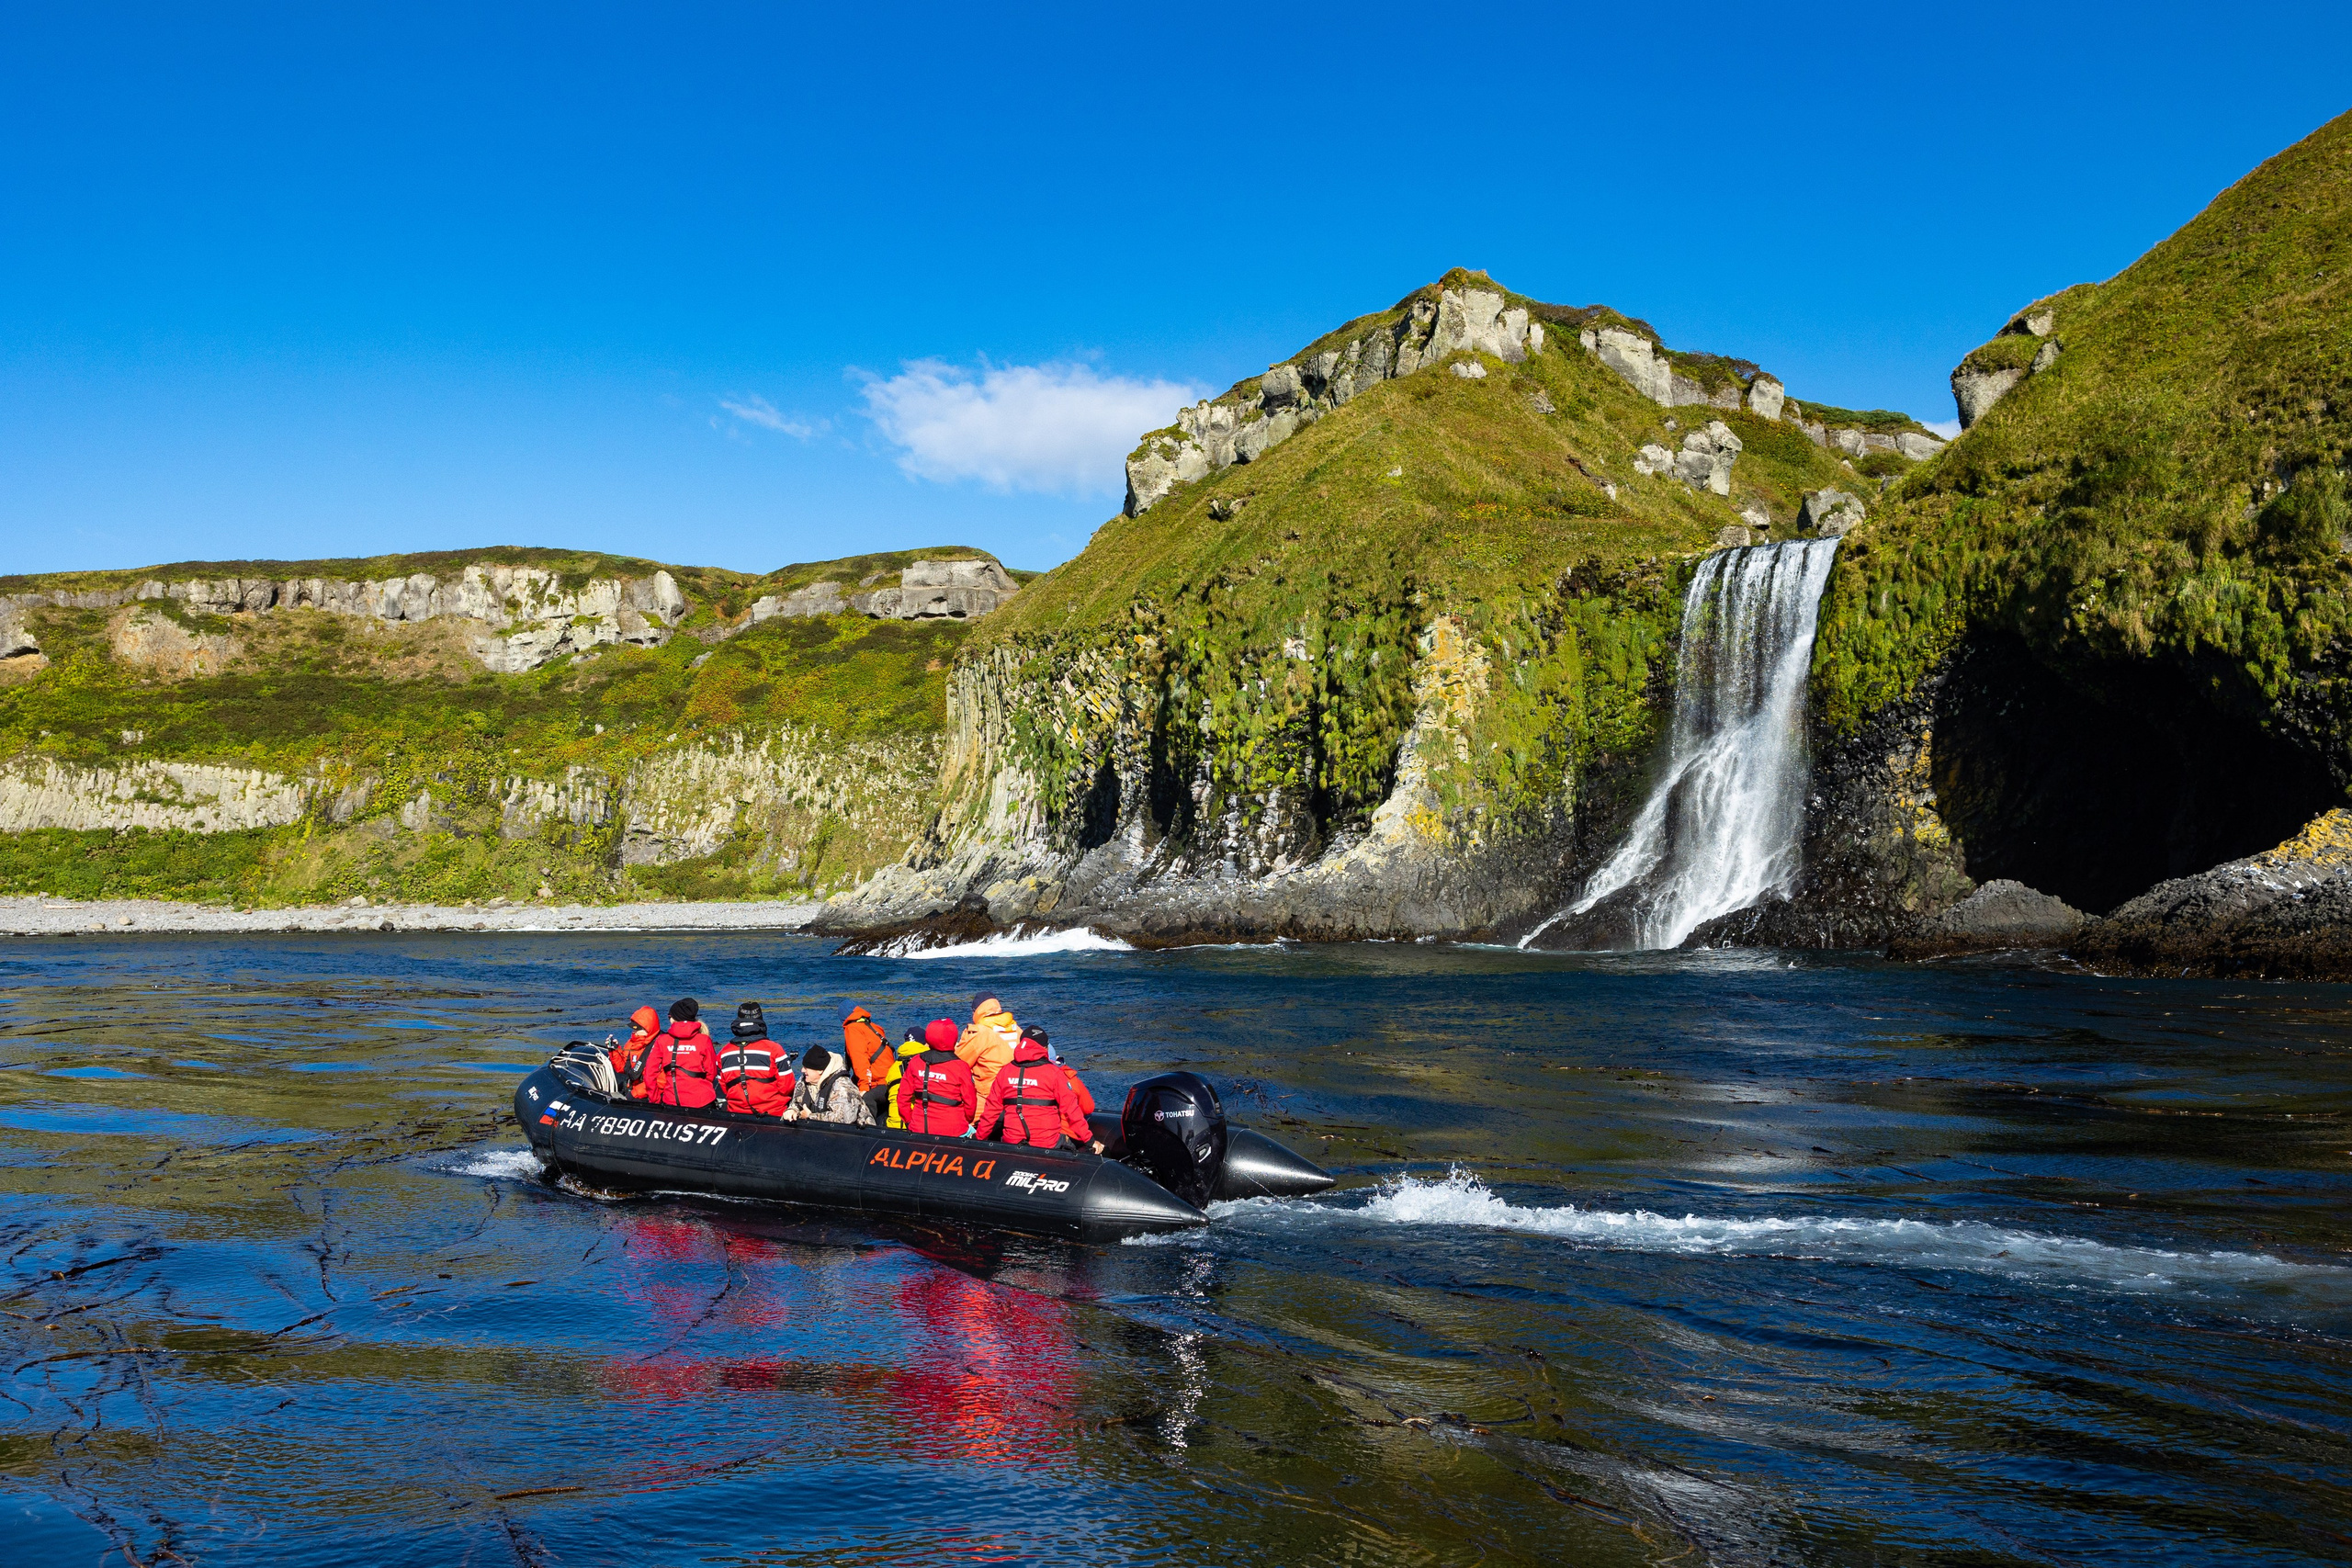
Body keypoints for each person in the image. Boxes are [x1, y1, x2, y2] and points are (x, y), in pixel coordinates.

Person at [973, 1027, 1099, 1151]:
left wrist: (978, 1139)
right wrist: (1090, 1141)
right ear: (1045, 1048)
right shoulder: (1054, 1073)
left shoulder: (1005, 1071)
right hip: (1048, 1144)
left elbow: (990, 1112)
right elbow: (1071, 1110)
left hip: (1012, 1143)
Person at [896, 1018, 978, 1136]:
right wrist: (963, 1121)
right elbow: (971, 1105)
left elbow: (902, 1098)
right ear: (954, 1039)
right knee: (978, 1135)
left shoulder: (915, 1062)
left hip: (919, 1128)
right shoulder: (961, 1067)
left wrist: (909, 1121)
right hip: (955, 1131)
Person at [716, 1001, 794, 1119]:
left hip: (736, 1114)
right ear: (761, 1022)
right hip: (773, 1114)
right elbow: (787, 1087)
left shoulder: (723, 1053)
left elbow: (724, 1088)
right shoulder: (774, 1049)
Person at [640, 998, 719, 1111]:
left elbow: (649, 1074)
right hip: (703, 1101)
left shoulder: (662, 1040)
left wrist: (655, 1100)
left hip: (672, 1101)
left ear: (673, 1019)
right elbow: (711, 1072)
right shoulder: (704, 1040)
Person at [786, 1046, 876, 1125]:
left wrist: (811, 1116)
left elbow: (846, 1118)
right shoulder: (805, 1080)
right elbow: (796, 1103)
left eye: (806, 1068)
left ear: (820, 1071)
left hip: (856, 1134)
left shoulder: (842, 1087)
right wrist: (792, 1111)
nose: (802, 1070)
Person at [956, 994, 1021, 1104]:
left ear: (976, 1012)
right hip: (1018, 1091)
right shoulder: (1017, 1030)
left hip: (990, 1095)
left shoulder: (979, 1032)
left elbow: (959, 1064)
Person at [842, 1005, 899, 1124]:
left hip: (877, 1084)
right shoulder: (874, 1027)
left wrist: (863, 1087)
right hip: (891, 1083)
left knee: (863, 1101)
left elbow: (860, 1060)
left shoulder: (853, 1029)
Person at [606, 1005, 661, 1100]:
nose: (634, 1032)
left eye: (637, 1029)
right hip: (632, 1091)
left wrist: (634, 1094)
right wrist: (614, 1050)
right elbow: (622, 1068)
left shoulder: (661, 1045)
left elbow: (659, 1081)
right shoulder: (632, 1043)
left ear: (647, 1029)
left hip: (649, 1096)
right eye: (634, 1028)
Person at [883, 1028, 928, 1130]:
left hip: (893, 1125)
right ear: (925, 1044)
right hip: (914, 1125)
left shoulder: (893, 1067)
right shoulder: (925, 1064)